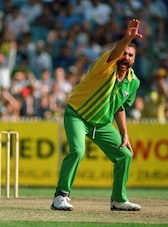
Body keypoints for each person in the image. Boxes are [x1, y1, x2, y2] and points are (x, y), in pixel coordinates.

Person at [50, 19, 142, 211]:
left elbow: (120, 108)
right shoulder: (106, 65)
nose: (125, 57)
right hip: (78, 114)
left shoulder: (133, 82)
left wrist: (125, 133)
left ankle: (118, 200)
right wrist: (127, 38)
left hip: (101, 124)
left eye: (130, 55)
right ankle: (60, 196)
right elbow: (116, 52)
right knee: (77, 151)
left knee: (125, 155)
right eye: (124, 53)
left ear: (134, 59)